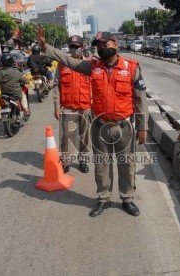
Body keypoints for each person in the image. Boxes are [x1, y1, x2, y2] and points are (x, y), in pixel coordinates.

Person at [36, 26, 148, 217]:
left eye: (105, 44)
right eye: (98, 45)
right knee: (102, 166)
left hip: (124, 126)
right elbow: (67, 60)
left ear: (115, 44)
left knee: (126, 165)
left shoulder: (131, 67)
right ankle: (103, 199)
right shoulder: (92, 67)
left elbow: (140, 100)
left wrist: (142, 127)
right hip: (100, 125)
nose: (102, 48)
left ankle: (127, 199)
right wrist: (45, 46)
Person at [53, 35, 92, 174]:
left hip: (85, 107)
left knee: (85, 137)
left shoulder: (88, 64)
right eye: (71, 46)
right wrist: (57, 106)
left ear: (83, 47)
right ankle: (66, 161)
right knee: (67, 138)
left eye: (76, 46)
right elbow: (56, 85)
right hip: (68, 108)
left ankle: (83, 160)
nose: (74, 49)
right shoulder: (63, 64)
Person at [0, 53, 30, 118]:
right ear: (11, 62)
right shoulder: (15, 71)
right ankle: (26, 110)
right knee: (23, 95)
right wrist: (27, 81)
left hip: (4, 95)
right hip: (16, 94)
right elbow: (25, 81)